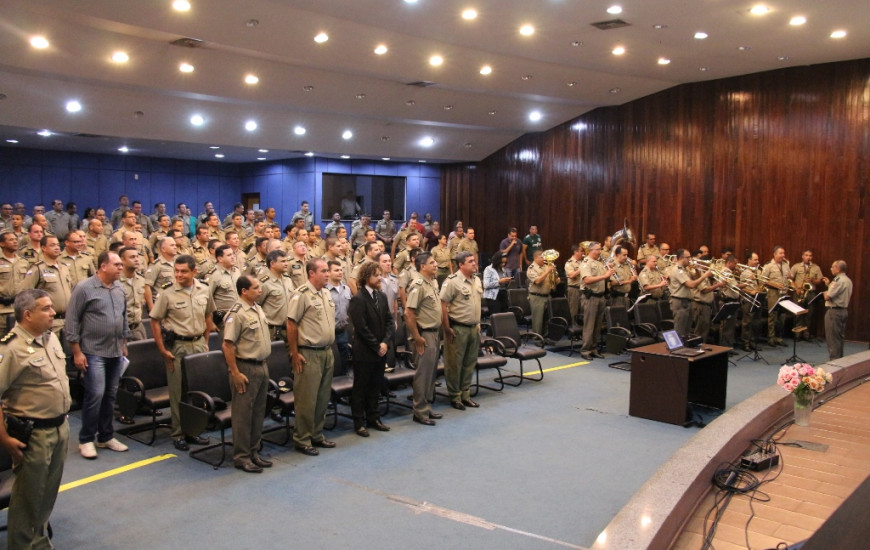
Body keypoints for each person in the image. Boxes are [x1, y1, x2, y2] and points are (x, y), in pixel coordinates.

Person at [0, 289, 71, 550]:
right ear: (27, 314)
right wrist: (4, 438)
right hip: (33, 433)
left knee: (47, 494)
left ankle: (39, 543)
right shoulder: (11, 349)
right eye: (46, 308)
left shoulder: (50, 339)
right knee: (28, 497)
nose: (53, 312)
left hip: (59, 427)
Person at [65, 251, 131, 459]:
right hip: (92, 351)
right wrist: (76, 351)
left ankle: (105, 436)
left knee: (110, 395)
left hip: (114, 350)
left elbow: (123, 316)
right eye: (117, 264)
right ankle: (86, 439)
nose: (121, 268)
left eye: (121, 264)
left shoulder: (119, 288)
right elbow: (72, 320)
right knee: (95, 394)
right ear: (103, 266)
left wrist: (124, 342)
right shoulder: (84, 288)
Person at [149, 255, 216, 451]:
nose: (178, 274)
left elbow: (208, 314)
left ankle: (193, 430)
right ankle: (178, 433)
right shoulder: (167, 293)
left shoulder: (204, 289)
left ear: (194, 272)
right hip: (177, 347)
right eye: (176, 271)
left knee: (195, 391)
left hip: (197, 344)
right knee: (177, 392)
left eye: (183, 271)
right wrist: (162, 349)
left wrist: (206, 340)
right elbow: (155, 320)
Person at [222, 275, 272, 473]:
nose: (260, 290)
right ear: (244, 291)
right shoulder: (237, 313)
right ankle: (241, 457)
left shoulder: (257, 308)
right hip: (245, 367)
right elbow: (227, 345)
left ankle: (253, 451)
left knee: (259, 412)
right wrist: (235, 372)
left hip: (261, 365)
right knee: (243, 415)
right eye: (256, 287)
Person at [287, 259, 337, 456]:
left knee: (323, 397)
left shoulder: (325, 293)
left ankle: (317, 434)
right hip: (308, 353)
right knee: (307, 399)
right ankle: (302, 438)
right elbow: (291, 324)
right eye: (323, 271)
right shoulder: (301, 295)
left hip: (326, 351)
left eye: (328, 271)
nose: (327, 274)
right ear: (311, 274)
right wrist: (294, 353)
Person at [347, 261, 394, 437]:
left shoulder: (381, 296)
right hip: (365, 352)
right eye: (376, 275)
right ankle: (359, 422)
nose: (380, 277)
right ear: (367, 277)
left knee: (375, 386)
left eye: (380, 274)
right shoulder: (358, 299)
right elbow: (361, 327)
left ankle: (374, 418)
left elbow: (389, 321)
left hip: (380, 349)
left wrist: (386, 343)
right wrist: (377, 345)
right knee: (361, 388)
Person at [440, 251, 482, 410]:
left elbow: (476, 303)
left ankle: (466, 394)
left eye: (474, 260)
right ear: (461, 265)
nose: (474, 263)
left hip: (473, 328)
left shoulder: (477, 279)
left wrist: (478, 323)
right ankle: (455, 396)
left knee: (469, 363)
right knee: (454, 365)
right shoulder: (452, 281)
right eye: (470, 261)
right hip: (458, 328)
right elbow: (442, 304)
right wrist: (446, 327)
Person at [405, 252, 443, 426]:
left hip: (434, 332)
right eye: (432, 262)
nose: (436, 265)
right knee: (423, 373)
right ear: (422, 267)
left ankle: (427, 406)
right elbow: (409, 313)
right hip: (424, 334)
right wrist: (417, 337)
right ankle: (419, 411)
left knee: (431, 373)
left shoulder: (432, 283)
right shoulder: (418, 284)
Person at [20, 235, 72, 339]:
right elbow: (25, 295)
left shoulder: (64, 268)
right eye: (52, 245)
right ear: (43, 248)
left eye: (58, 245)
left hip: (67, 321)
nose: (57, 248)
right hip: (49, 322)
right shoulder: (38, 268)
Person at [668, 249, 714, 338]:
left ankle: (686, 350)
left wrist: (697, 271)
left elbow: (695, 279)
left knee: (687, 330)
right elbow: (691, 284)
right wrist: (705, 275)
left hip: (687, 301)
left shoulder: (685, 269)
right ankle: (677, 350)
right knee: (680, 330)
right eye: (688, 257)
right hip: (680, 302)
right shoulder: (678, 270)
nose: (690, 259)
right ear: (681, 258)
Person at [579, 242, 614, 360]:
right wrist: (605, 276)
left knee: (598, 325)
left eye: (600, 249)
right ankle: (585, 350)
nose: (600, 251)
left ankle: (594, 348)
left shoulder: (599, 263)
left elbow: (603, 278)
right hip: (591, 297)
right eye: (598, 249)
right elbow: (587, 280)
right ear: (591, 250)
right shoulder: (586, 263)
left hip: (600, 297)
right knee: (589, 325)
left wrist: (609, 273)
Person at [257, 250, 295, 341]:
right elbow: (256, 305)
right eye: (282, 261)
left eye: (286, 261)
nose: (286, 264)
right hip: (272, 331)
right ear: (272, 264)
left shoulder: (288, 280)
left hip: (289, 328)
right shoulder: (264, 283)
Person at [790, 249, 824, 339]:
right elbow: (790, 279)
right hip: (799, 292)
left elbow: (820, 280)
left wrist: (813, 280)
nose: (808, 257)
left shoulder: (816, 267)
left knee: (809, 314)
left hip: (810, 293)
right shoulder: (796, 266)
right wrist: (796, 288)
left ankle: (806, 334)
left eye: (810, 256)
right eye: (806, 255)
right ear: (802, 256)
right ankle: (797, 334)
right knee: (798, 313)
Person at [326, 260, 352, 374]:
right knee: (331, 362)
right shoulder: (323, 290)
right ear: (328, 272)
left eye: (341, 270)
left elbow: (350, 310)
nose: (340, 272)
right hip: (328, 332)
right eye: (336, 270)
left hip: (342, 330)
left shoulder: (346, 289)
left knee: (344, 359)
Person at [761, 246, 790, 346]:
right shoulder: (769, 265)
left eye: (784, 253)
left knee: (782, 316)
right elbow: (763, 280)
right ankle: (771, 338)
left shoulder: (786, 265)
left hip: (784, 293)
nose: (783, 255)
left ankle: (779, 337)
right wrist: (775, 284)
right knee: (772, 316)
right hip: (773, 292)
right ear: (775, 254)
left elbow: (788, 277)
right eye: (781, 253)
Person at [823, 260, 852, 360]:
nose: (831, 269)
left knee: (833, 340)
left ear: (838, 269)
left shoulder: (838, 280)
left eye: (832, 267)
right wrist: (828, 285)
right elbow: (838, 292)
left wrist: (824, 293)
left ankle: (834, 364)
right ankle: (840, 362)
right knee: (839, 339)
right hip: (843, 311)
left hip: (834, 312)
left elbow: (828, 296)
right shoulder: (847, 280)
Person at [119, 246, 150, 341]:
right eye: (132, 257)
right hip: (120, 330)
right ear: (122, 260)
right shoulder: (115, 281)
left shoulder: (141, 280)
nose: (136, 260)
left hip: (138, 327)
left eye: (137, 257)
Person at [0, 231, 27, 335]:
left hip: (18, 310)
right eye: (11, 240)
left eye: (16, 239)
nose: (15, 242)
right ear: (2, 244)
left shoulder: (23, 262)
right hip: (1, 310)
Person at [527, 250, 558, 336]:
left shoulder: (545, 266)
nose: (544, 259)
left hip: (547, 296)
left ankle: (545, 337)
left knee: (546, 319)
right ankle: (537, 338)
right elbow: (537, 281)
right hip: (537, 297)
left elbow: (552, 280)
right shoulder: (531, 268)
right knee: (538, 320)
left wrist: (556, 279)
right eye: (542, 257)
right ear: (535, 258)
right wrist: (548, 271)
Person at [739, 252, 762, 351]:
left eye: (757, 260)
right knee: (747, 322)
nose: (757, 262)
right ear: (749, 260)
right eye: (755, 260)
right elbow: (740, 288)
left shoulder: (758, 271)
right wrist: (751, 291)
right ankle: (745, 343)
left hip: (757, 298)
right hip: (748, 299)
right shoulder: (745, 272)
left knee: (755, 322)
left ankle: (753, 341)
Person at [564, 244, 585, 322]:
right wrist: (582, 267)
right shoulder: (569, 263)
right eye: (581, 251)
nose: (583, 253)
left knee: (583, 310)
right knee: (574, 310)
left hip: (583, 288)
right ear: (576, 252)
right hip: (574, 289)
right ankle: (573, 326)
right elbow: (572, 275)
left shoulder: (583, 261)